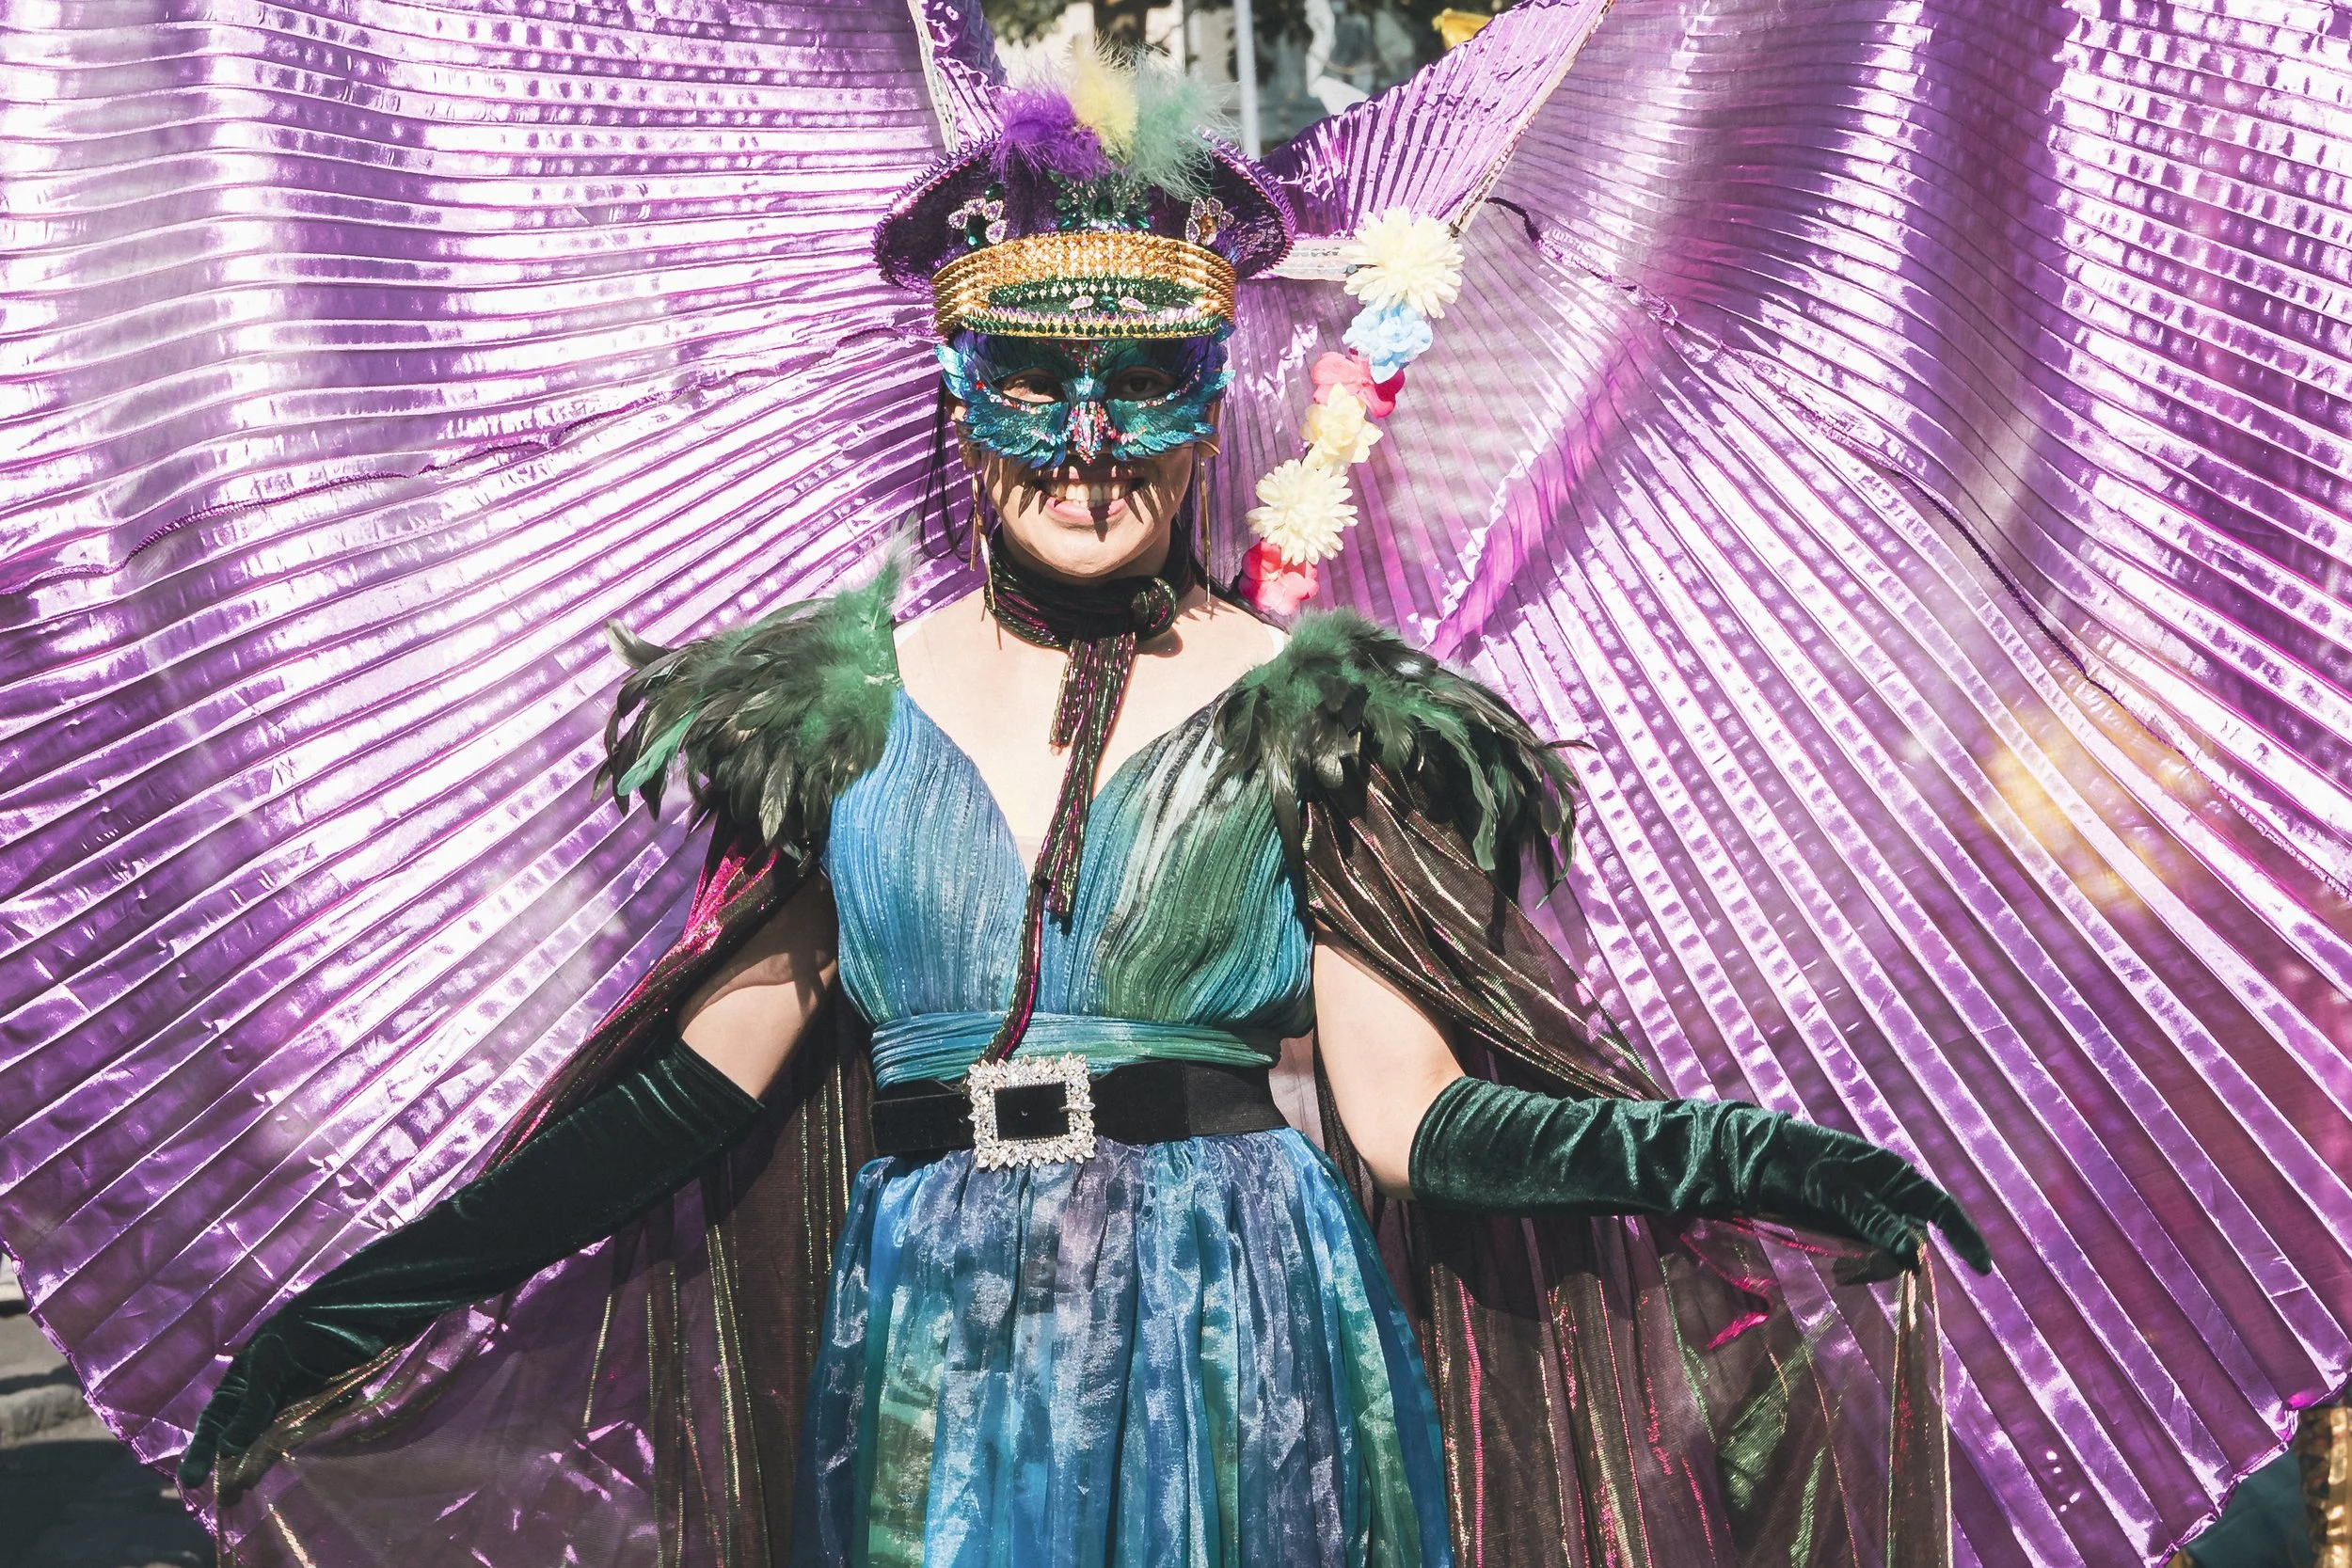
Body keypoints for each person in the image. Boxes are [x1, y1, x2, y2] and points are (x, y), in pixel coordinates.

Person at [170, 53, 1986, 1565]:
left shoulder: (1315, 719)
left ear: (1209, 411)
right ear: (966, 401)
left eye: (1141, 389)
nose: (1091, 446)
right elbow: (687, 1097)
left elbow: (1413, 1117)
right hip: (935, 1342)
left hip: (1239, 1325)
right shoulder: (841, 713)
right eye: (1037, 387)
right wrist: (376, 1294)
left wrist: (1741, 1156)